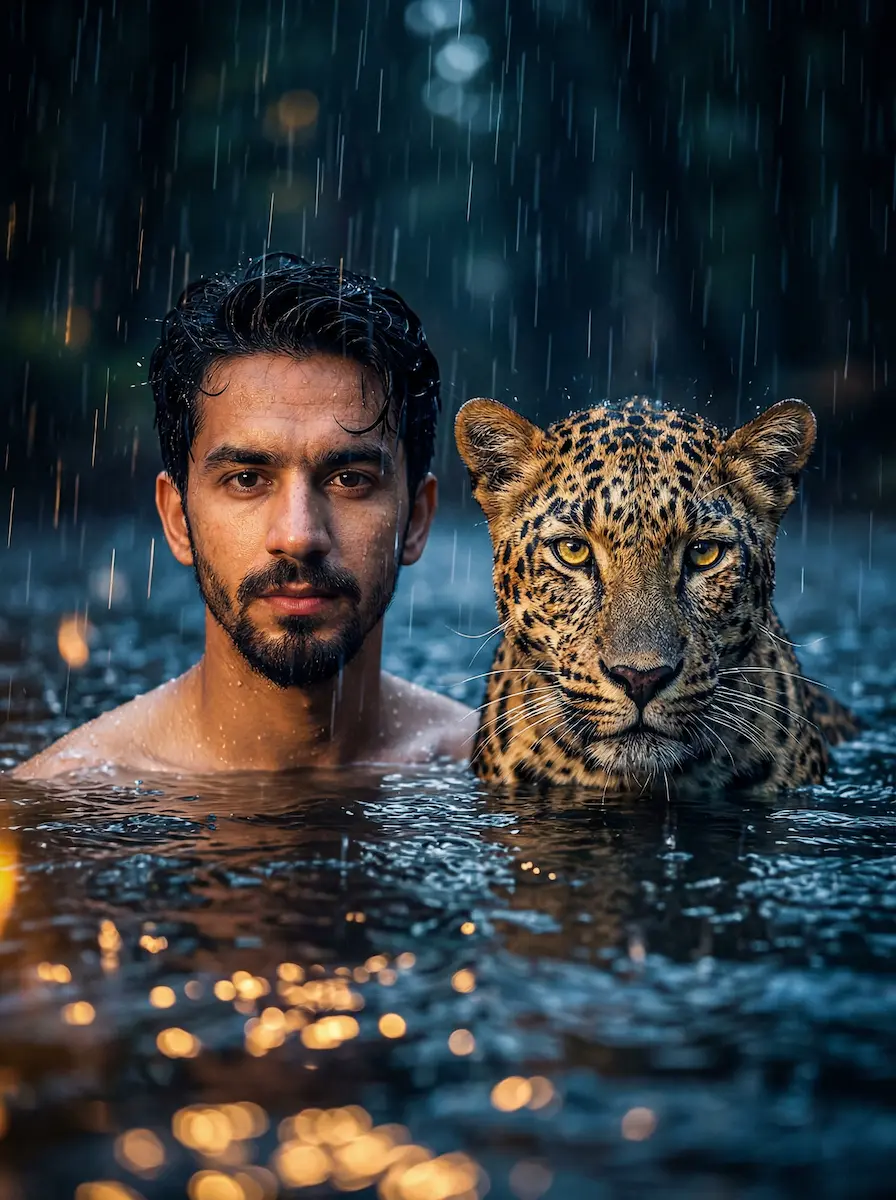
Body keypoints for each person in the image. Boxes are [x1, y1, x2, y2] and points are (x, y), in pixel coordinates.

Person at [12, 254, 472, 779]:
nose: (298, 536)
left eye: (349, 480)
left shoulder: (492, 775)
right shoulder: (70, 804)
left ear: (416, 519)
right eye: (247, 479)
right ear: (178, 518)